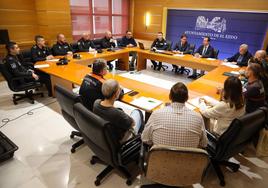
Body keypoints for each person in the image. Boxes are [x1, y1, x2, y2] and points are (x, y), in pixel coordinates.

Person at [142, 82, 207, 148]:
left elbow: (145, 139)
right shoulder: (198, 117)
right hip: (189, 158)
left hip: (159, 157)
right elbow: (204, 144)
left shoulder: (156, 114)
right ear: (187, 98)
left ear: (170, 96)